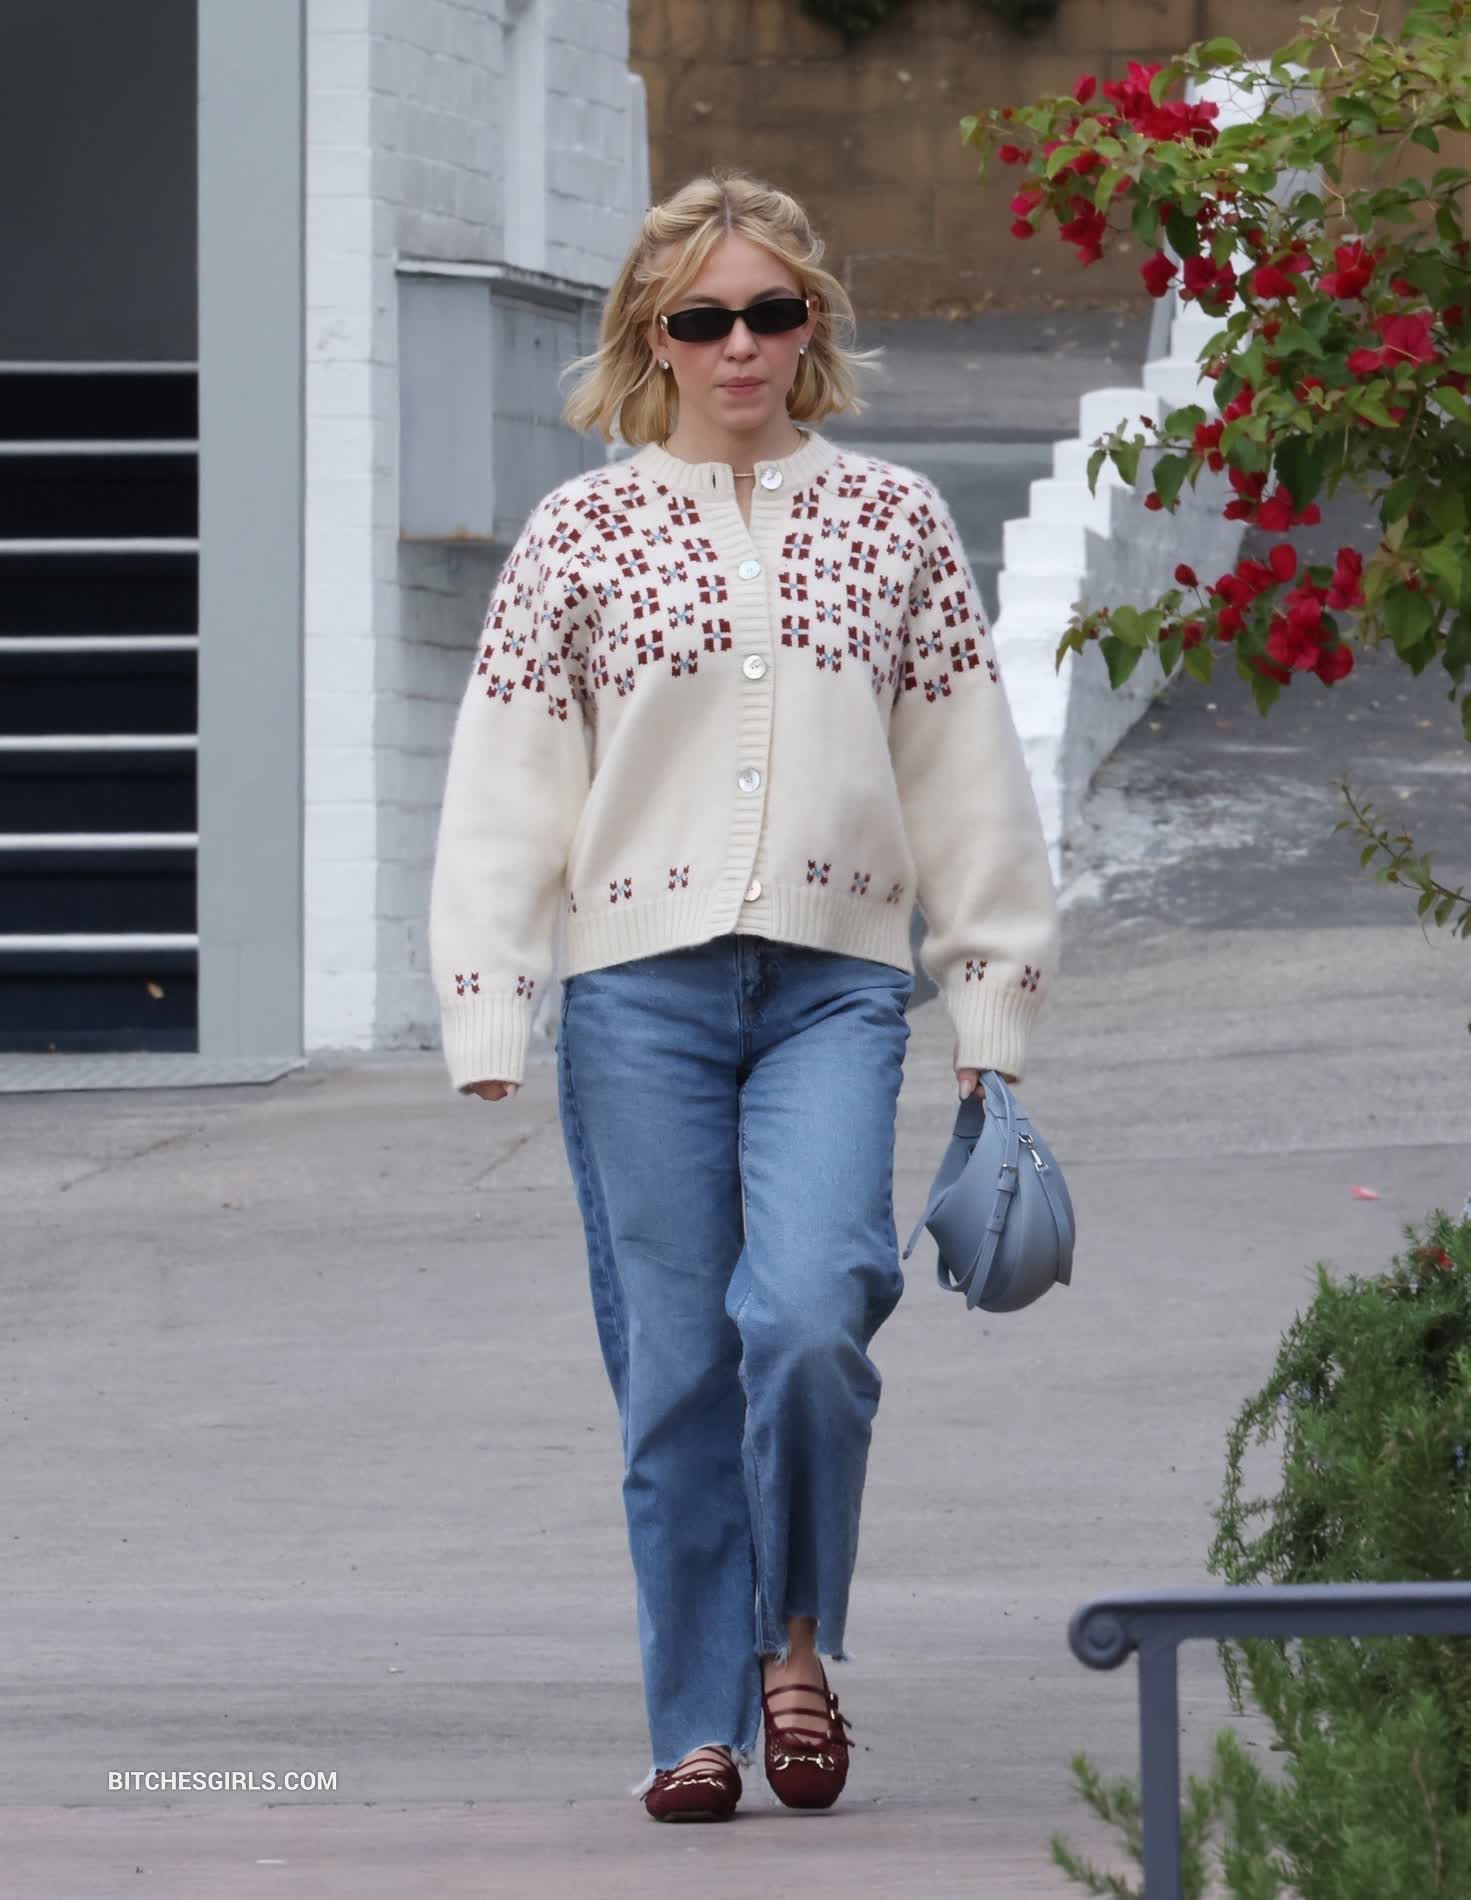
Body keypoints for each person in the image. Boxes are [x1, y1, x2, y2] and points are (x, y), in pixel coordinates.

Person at [428, 167, 1060, 1822]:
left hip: (835, 989)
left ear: (810, 327)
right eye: (702, 317)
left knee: (808, 1317)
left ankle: (795, 1648)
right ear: (654, 333)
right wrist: (491, 995)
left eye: (772, 312)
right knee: (676, 1368)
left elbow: (966, 774)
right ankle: (697, 1719)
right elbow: (508, 781)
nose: (739, 345)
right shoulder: (581, 533)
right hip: (635, 997)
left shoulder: (892, 520)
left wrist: (988, 1003)